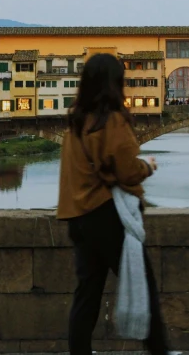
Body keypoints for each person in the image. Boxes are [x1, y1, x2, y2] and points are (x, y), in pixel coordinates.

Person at [57, 53, 169, 355]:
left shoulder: (76, 122)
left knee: (87, 295)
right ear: (115, 83)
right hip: (106, 217)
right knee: (142, 285)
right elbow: (127, 171)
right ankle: (159, 351)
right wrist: (147, 166)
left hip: (76, 217)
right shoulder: (113, 121)